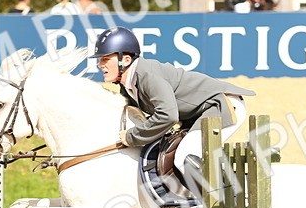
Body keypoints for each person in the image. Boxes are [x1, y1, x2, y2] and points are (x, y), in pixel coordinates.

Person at [94, 26, 254, 189]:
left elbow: (168, 116)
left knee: (185, 156)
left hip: (221, 105)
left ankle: (231, 200)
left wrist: (132, 136)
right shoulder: (128, 85)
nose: (100, 64)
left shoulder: (147, 75)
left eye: (105, 59)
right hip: (199, 113)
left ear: (126, 60)